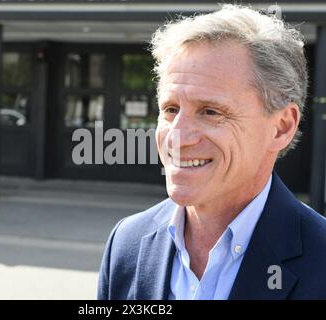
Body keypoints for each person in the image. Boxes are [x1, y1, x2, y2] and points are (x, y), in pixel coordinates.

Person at [97, 4, 326, 300]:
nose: (177, 137)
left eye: (210, 111)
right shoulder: (127, 242)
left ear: (281, 127)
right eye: (170, 109)